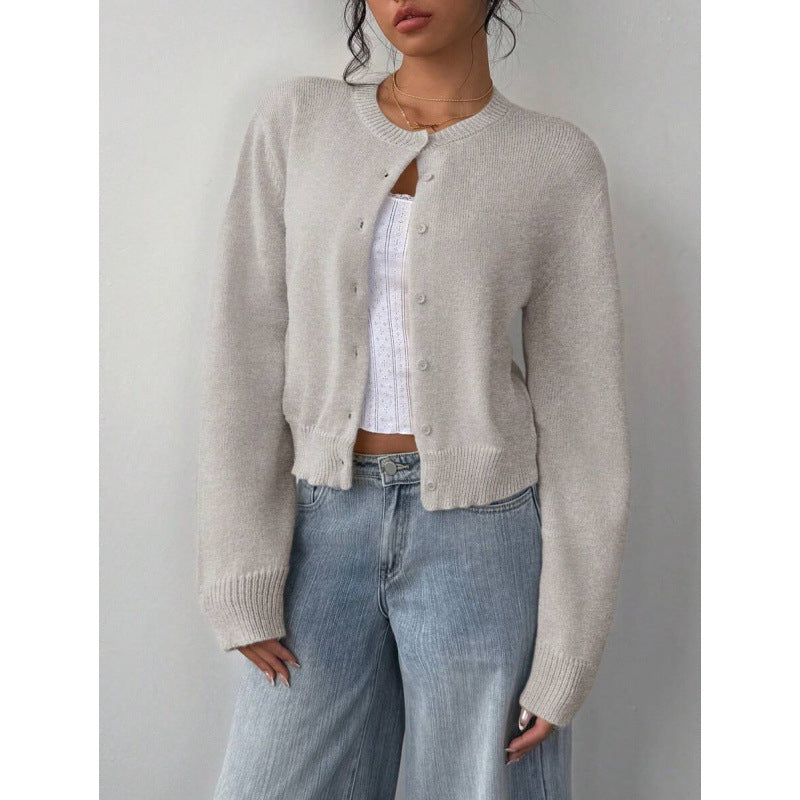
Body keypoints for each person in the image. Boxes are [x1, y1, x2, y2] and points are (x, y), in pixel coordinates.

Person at [196, 1, 631, 798]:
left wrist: (568, 649)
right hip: (318, 532)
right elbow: (244, 348)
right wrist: (241, 569)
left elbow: (583, 419)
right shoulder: (298, 123)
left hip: (483, 540)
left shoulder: (555, 161)